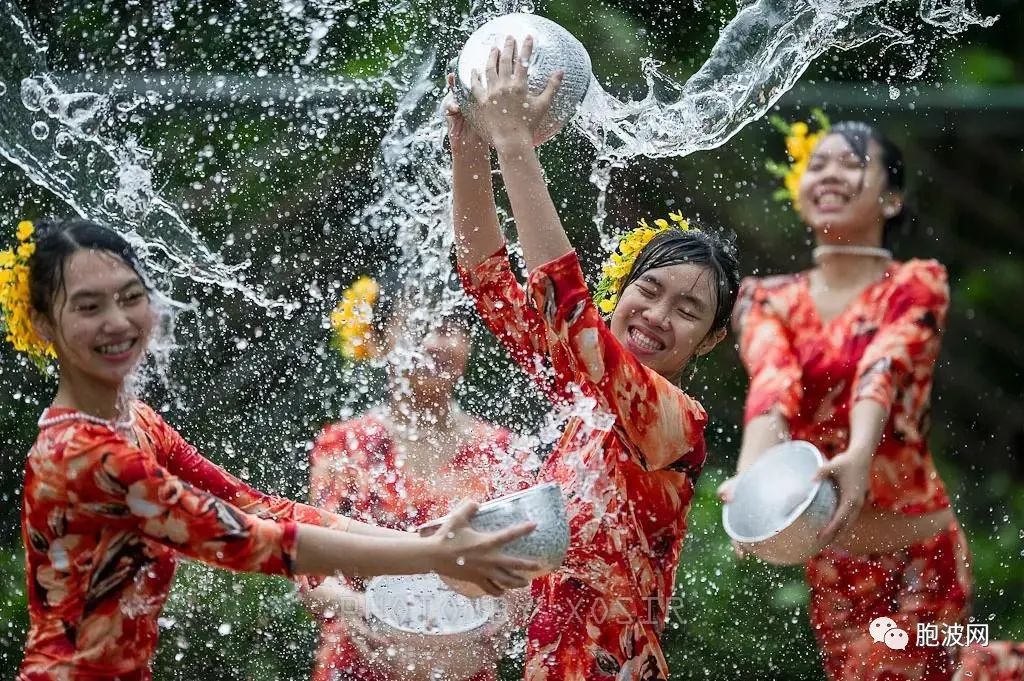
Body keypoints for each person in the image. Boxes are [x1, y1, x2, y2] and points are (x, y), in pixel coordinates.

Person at [3, 218, 539, 681]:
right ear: (44, 324)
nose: (118, 321)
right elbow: (253, 540)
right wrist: (433, 556)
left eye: (130, 297)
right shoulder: (82, 455)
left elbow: (257, 504)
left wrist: (428, 545)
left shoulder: (134, 421)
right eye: (89, 306)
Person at [446, 36, 740, 680]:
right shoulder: (586, 401)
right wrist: (469, 140)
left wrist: (516, 147)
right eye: (649, 290)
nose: (658, 316)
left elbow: (570, 312)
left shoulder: (676, 423)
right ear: (623, 291)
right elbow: (489, 281)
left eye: (689, 312)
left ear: (712, 339)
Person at [724, 118, 1023, 680]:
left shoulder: (917, 284)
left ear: (890, 197)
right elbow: (773, 385)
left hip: (921, 557)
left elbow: (880, 367)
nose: (830, 173)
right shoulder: (767, 299)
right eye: (818, 163)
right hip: (834, 569)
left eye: (851, 162)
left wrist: (859, 452)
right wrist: (750, 480)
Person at [302, 274, 533, 681]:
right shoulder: (345, 446)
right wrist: (354, 609)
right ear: (381, 339)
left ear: (470, 345)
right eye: (417, 327)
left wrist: (503, 617)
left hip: (464, 664)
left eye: (448, 329)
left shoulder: (501, 451)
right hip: (360, 662)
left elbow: (526, 573)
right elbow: (310, 568)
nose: (433, 344)